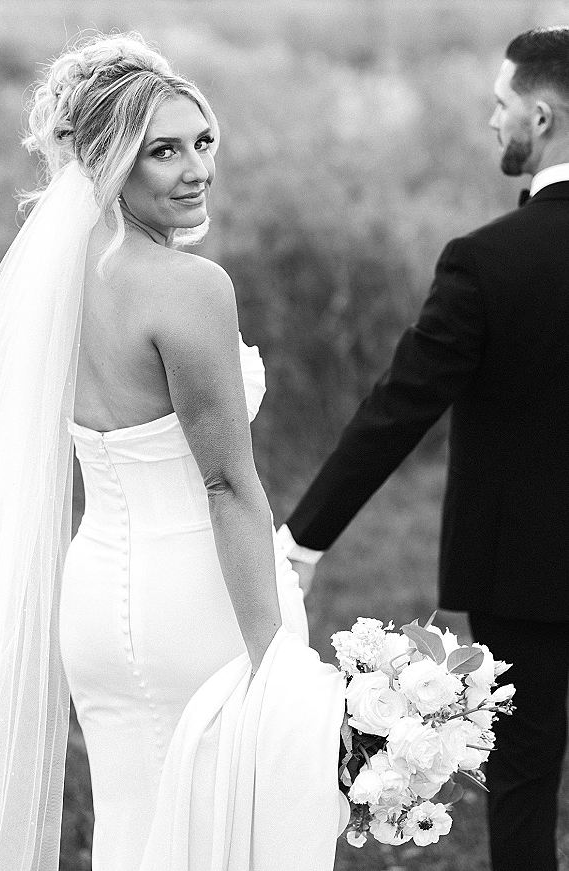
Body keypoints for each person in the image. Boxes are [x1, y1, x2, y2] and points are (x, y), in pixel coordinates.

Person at [0, 33, 346, 871]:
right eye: (163, 151)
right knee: (229, 832)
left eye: (202, 141)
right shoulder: (190, 287)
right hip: (201, 596)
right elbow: (226, 482)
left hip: (97, 604)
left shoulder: (48, 280)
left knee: (131, 828)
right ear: (110, 159)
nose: (196, 169)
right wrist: (274, 666)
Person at [278, 26, 569, 871]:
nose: (491, 121)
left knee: (524, 775)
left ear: (542, 118)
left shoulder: (488, 262)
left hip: (526, 570)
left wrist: (305, 536)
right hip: (526, 572)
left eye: (501, 105)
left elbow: (401, 406)